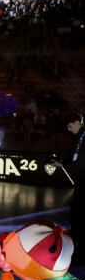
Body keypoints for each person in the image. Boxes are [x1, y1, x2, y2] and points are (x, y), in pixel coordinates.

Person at [50, 112, 85, 262]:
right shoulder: (81, 135)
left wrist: (64, 165)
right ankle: (79, 251)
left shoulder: (84, 135)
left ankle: (80, 254)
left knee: (78, 217)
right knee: (77, 216)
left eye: (70, 126)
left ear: (77, 122)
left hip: (83, 182)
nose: (69, 130)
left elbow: (82, 162)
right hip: (81, 181)